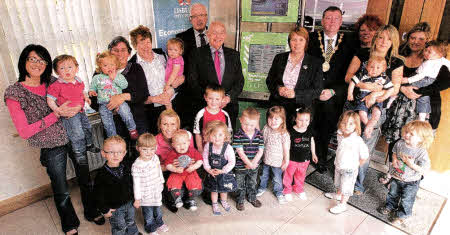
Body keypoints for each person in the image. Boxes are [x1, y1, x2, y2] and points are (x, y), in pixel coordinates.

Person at [4, 44, 102, 235]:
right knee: (61, 188)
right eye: (32, 59)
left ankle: (91, 210)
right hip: (51, 146)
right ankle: (69, 223)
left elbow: (75, 95)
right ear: (23, 61)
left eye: (42, 60)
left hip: (74, 138)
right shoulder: (15, 92)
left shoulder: (52, 80)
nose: (37, 63)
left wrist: (81, 104)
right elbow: (24, 132)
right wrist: (56, 114)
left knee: (85, 179)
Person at [345, 25, 404, 195]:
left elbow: (396, 88)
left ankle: (357, 185)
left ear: (394, 42)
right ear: (375, 38)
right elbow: (348, 77)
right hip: (354, 106)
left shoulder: (396, 62)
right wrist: (366, 85)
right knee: (348, 143)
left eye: (389, 38)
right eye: (380, 37)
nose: (384, 42)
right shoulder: (362, 54)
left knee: (365, 146)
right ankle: (344, 177)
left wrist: (376, 95)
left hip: (376, 108)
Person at [307, 6, 356, 173]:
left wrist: (333, 92)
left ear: (341, 21)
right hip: (312, 91)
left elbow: (350, 73)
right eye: (328, 18)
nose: (332, 21)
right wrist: (315, 89)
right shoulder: (311, 38)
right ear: (322, 21)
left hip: (335, 94)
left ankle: (320, 157)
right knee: (308, 124)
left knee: (326, 128)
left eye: (336, 18)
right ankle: (305, 155)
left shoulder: (349, 43)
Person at [188, 21, 244, 130]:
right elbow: (192, 82)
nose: (218, 36)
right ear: (208, 35)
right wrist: (211, 100)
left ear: (225, 35)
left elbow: (239, 81)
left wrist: (228, 98)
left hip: (228, 108)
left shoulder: (234, 55)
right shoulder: (196, 54)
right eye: (214, 33)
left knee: (226, 142)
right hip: (205, 108)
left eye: (221, 33)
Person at [378, 121, 432, 225]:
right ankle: (390, 206)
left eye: (411, 134)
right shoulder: (400, 143)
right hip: (396, 176)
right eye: (406, 132)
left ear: (421, 138)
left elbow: (424, 170)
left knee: (406, 200)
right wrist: (394, 160)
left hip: (411, 181)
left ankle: (402, 216)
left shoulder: (421, 152)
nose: (406, 135)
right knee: (392, 193)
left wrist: (411, 165)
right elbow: (394, 152)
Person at [47, 55, 100, 158]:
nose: (66, 70)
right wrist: (57, 110)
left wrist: (86, 97)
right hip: (69, 115)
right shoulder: (56, 85)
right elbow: (50, 100)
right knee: (77, 134)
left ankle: (89, 144)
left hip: (81, 111)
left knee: (88, 128)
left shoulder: (78, 81)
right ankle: (79, 153)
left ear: (76, 69)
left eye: (70, 67)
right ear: (57, 72)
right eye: (62, 68)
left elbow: (81, 91)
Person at [266, 26, 323, 121]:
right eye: (294, 40)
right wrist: (278, 88)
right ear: (289, 42)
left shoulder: (315, 63)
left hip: (301, 111)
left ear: (306, 42)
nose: (297, 43)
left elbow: (317, 90)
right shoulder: (279, 58)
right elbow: (270, 80)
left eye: (301, 40)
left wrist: (296, 94)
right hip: (278, 108)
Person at [129, 25, 178, 134]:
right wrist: (154, 99)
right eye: (141, 43)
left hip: (172, 104)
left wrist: (172, 90)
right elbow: (135, 96)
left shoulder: (162, 55)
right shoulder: (132, 65)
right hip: (152, 111)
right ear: (135, 46)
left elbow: (176, 75)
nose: (146, 46)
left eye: (148, 42)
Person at [324, 111, 368, 214]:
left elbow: (365, 156)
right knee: (339, 183)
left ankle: (343, 204)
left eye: (351, 124)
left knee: (346, 187)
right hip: (339, 165)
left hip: (349, 169)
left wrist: (356, 165)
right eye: (344, 123)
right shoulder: (340, 134)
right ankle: (338, 195)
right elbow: (340, 131)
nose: (347, 126)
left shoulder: (357, 140)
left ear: (356, 126)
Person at [94, 136, 140, 235]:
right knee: (119, 227)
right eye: (111, 152)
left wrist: (137, 198)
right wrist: (104, 210)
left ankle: (133, 233)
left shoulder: (127, 167)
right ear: (103, 153)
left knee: (131, 221)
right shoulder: (101, 174)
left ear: (124, 153)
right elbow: (98, 194)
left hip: (129, 203)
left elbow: (133, 183)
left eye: (119, 152)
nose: (115, 155)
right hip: (115, 208)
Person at [89, 51, 138, 139]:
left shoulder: (119, 75)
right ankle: (112, 137)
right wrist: (92, 91)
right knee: (107, 122)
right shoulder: (97, 78)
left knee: (126, 113)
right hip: (104, 104)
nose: (109, 68)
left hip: (119, 102)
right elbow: (92, 87)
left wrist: (115, 78)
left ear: (116, 65)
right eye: (105, 65)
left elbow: (124, 85)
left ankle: (132, 129)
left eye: (112, 64)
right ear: (100, 67)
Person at [176, 2, 209, 130]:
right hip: (191, 93)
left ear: (206, 17)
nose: (199, 19)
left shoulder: (214, 35)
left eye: (202, 15)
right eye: (195, 16)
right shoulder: (181, 38)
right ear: (190, 19)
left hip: (212, 92)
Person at [155, 109, 196, 212]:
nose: (169, 128)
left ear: (178, 126)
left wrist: (190, 162)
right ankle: (169, 198)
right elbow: (153, 167)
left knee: (197, 186)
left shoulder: (186, 135)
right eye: (165, 124)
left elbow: (193, 156)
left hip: (184, 169)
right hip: (166, 171)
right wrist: (169, 166)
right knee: (176, 192)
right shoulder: (155, 141)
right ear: (160, 125)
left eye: (173, 124)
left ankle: (187, 199)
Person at [400, 40, 449, 121]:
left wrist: (407, 80)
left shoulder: (428, 63)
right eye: (426, 50)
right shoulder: (441, 60)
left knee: (420, 95)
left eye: (429, 52)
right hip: (428, 81)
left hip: (424, 80)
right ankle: (423, 116)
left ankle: (422, 116)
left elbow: (420, 76)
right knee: (423, 98)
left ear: (439, 54)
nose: (425, 53)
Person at [131, 133, 169, 235]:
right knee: (148, 213)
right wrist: (137, 198)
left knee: (158, 208)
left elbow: (158, 171)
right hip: (145, 194)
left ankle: (159, 222)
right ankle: (150, 227)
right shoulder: (137, 165)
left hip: (156, 190)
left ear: (155, 148)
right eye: (145, 149)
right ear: (138, 148)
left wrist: (161, 182)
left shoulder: (155, 157)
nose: (149, 152)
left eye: (152, 149)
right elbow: (136, 183)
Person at [347, 56, 393, 138]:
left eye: (378, 68)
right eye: (371, 67)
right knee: (362, 113)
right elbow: (352, 82)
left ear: (383, 69)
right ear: (367, 66)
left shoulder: (384, 78)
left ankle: (371, 124)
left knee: (377, 112)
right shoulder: (362, 74)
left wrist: (384, 97)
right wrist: (350, 93)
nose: (374, 70)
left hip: (377, 97)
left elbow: (391, 89)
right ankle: (368, 125)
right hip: (363, 96)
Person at [283, 106, 318, 201]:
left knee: (300, 175)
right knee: (288, 175)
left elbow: (311, 142)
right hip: (292, 159)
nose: (304, 123)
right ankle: (287, 190)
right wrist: (285, 158)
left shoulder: (309, 130)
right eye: (301, 120)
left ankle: (298, 189)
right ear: (295, 119)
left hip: (304, 159)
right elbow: (286, 146)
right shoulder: (290, 131)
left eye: (307, 120)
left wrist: (313, 154)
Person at [256, 106, 290, 204]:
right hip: (266, 158)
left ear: (282, 120)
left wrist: (286, 161)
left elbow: (286, 149)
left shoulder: (284, 134)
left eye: (276, 118)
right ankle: (262, 187)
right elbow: (261, 140)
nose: (273, 121)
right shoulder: (266, 128)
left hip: (277, 161)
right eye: (270, 118)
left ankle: (279, 192)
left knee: (277, 178)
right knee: (263, 175)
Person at [232, 107, 264, 211]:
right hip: (240, 166)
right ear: (240, 120)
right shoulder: (238, 135)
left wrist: (253, 164)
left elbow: (260, 151)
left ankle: (252, 197)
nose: (248, 127)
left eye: (252, 125)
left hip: (254, 166)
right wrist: (248, 163)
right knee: (239, 183)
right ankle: (240, 200)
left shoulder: (259, 135)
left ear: (257, 123)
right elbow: (240, 152)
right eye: (245, 124)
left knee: (252, 182)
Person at [202, 120, 237, 215]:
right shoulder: (207, 146)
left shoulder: (228, 148)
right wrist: (208, 169)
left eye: (220, 135)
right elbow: (204, 158)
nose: (217, 138)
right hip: (212, 173)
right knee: (213, 190)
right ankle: (214, 203)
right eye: (214, 135)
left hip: (223, 173)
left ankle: (224, 201)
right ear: (209, 135)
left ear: (225, 136)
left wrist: (223, 171)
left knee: (223, 189)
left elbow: (232, 162)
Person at [165, 130, 203, 211]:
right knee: (173, 183)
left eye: (184, 143)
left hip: (190, 172)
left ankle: (191, 199)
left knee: (194, 184)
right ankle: (177, 198)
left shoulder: (192, 150)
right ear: (173, 145)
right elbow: (167, 165)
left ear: (189, 143)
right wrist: (175, 169)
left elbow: (200, 160)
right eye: (178, 144)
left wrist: (194, 167)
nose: (181, 146)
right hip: (177, 173)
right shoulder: (172, 153)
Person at [193, 84, 233, 153]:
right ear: (205, 97)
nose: (213, 102)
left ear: (222, 99)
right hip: (206, 150)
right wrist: (200, 149)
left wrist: (226, 150)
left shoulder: (225, 115)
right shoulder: (201, 114)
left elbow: (228, 133)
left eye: (217, 99)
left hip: (221, 151)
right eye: (210, 98)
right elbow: (197, 133)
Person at [163, 38, 185, 110]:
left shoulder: (177, 59)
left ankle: (169, 112)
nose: (172, 52)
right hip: (169, 82)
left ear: (180, 51)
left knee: (166, 96)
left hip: (173, 82)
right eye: (170, 49)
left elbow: (174, 73)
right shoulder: (171, 58)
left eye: (175, 50)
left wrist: (167, 84)